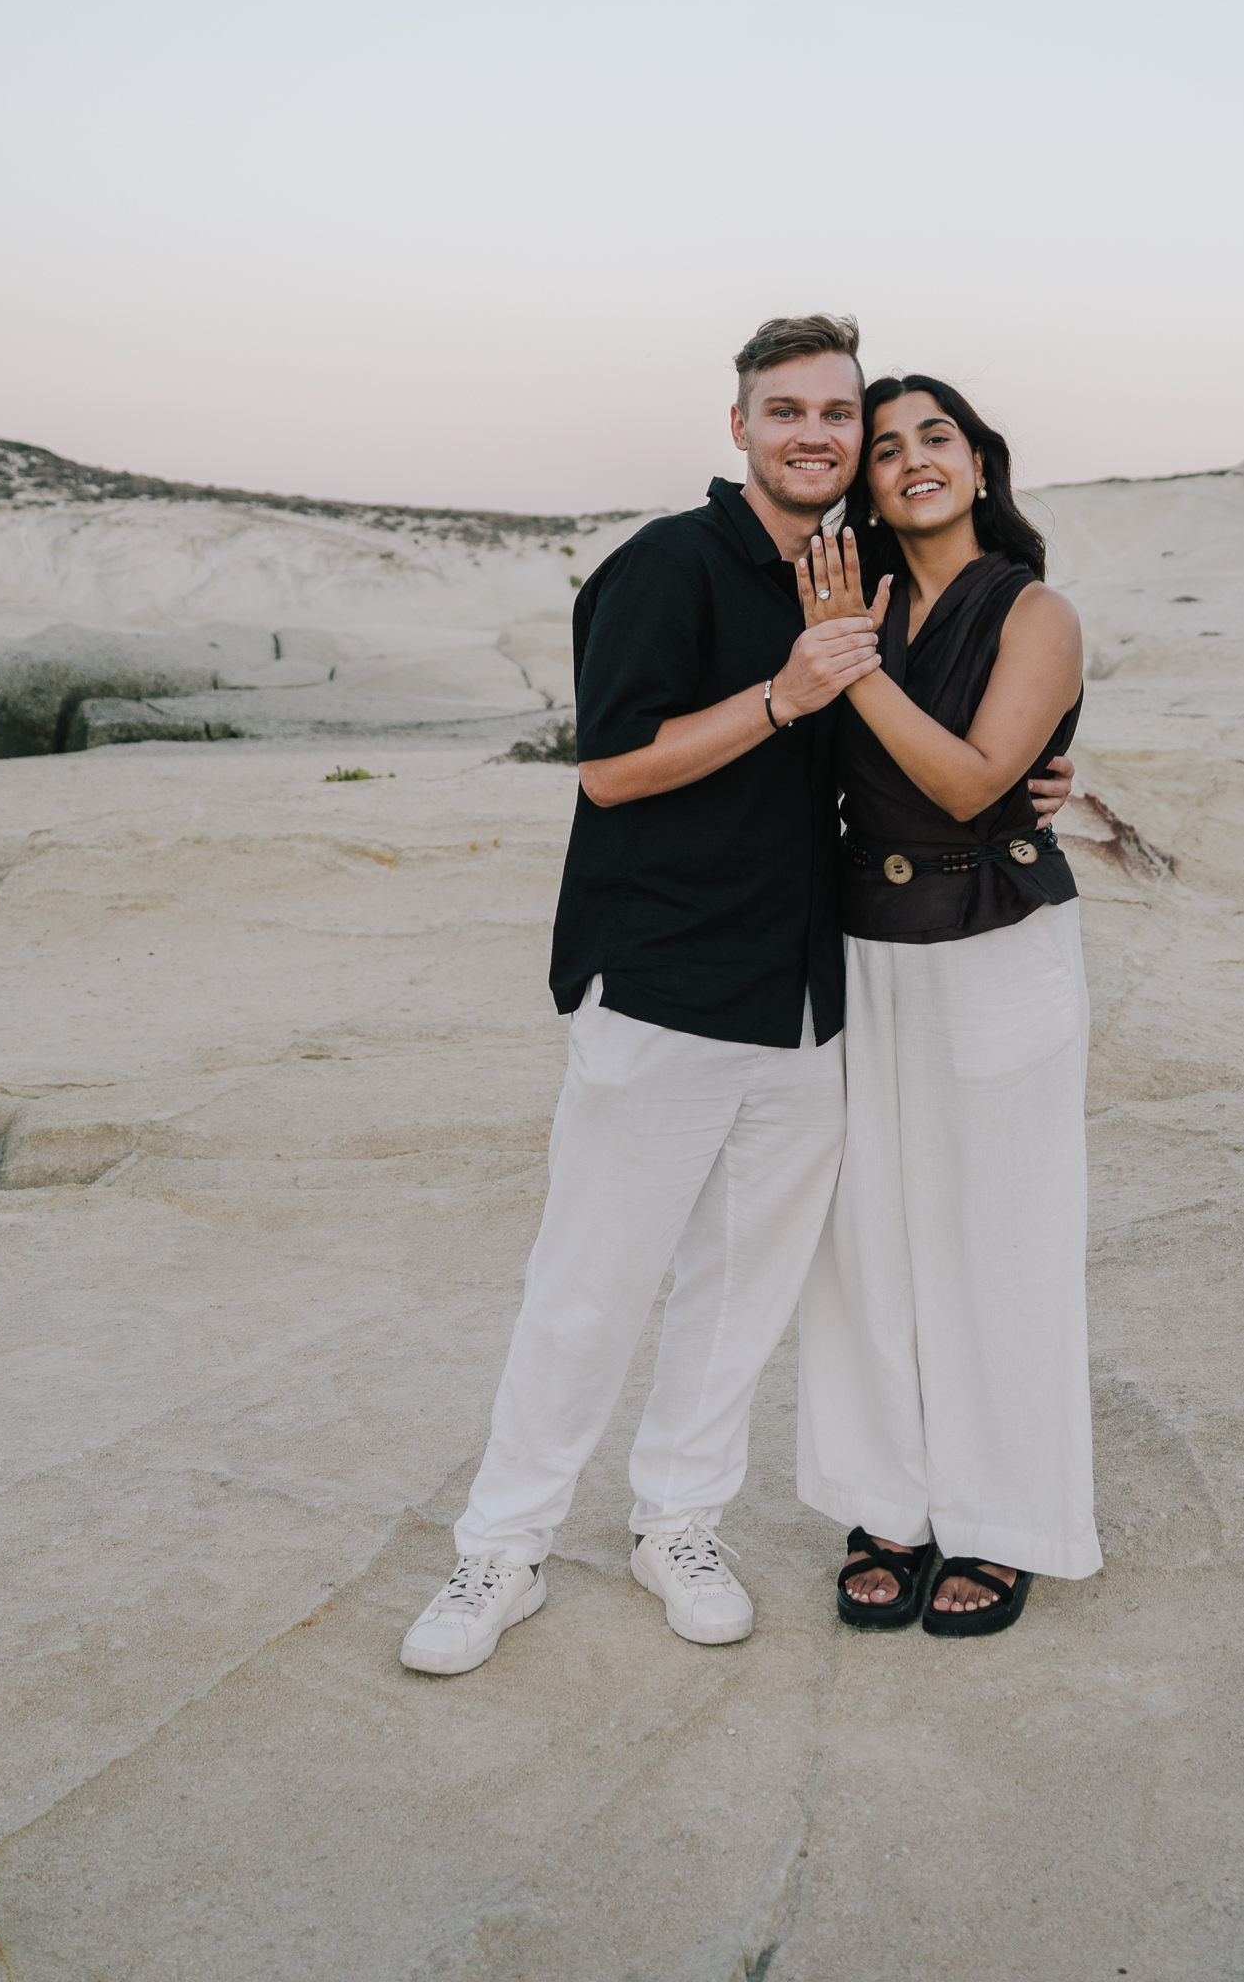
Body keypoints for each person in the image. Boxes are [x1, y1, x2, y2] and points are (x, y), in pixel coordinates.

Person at [402, 318, 1071, 1676]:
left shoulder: (852, 576)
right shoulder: (668, 564)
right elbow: (611, 771)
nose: (822, 435)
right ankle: (502, 1549)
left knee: (741, 1290)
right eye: (794, 412)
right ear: (742, 426)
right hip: (662, 983)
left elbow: (951, 744)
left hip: (815, 1000)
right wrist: (786, 693)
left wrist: (1054, 788)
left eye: (844, 414)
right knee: (590, 1282)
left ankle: (677, 1524)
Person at [788, 374, 1099, 1638]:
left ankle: (1005, 1518)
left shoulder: (1034, 610)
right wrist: (838, 654)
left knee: (999, 1235)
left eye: (939, 438)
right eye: (887, 447)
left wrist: (850, 673)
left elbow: (975, 786)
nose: (914, 459)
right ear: (860, 483)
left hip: (994, 936)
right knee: (862, 1238)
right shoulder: (836, 605)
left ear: (980, 464)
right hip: (864, 941)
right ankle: (887, 1504)